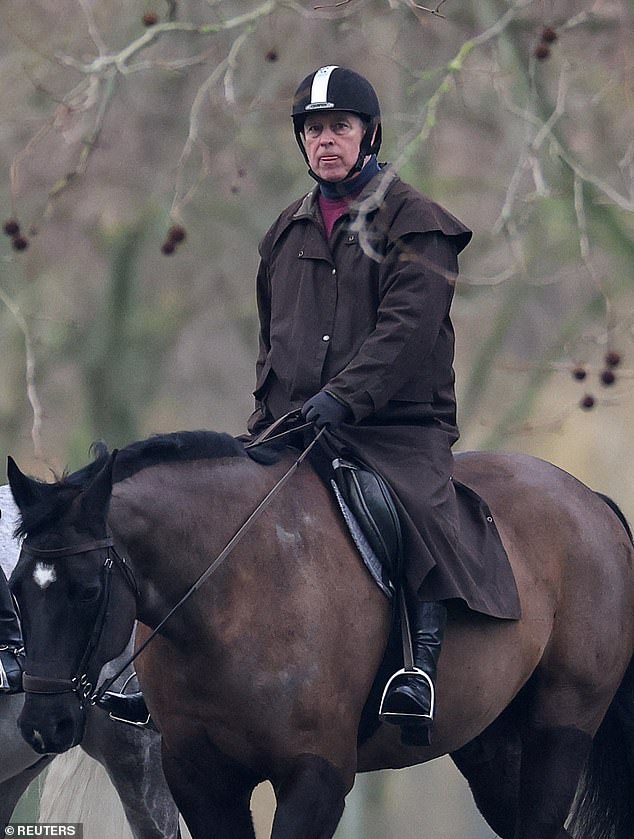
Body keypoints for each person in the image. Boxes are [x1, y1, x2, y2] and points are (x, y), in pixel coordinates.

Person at [246, 65, 473, 746]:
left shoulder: (420, 224)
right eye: (314, 130)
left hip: (394, 428)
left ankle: (417, 664)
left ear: (369, 132)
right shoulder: (284, 231)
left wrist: (344, 397)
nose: (326, 140)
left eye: (339, 127)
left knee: (416, 507)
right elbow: (271, 336)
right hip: (297, 427)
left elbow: (406, 332)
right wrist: (265, 417)